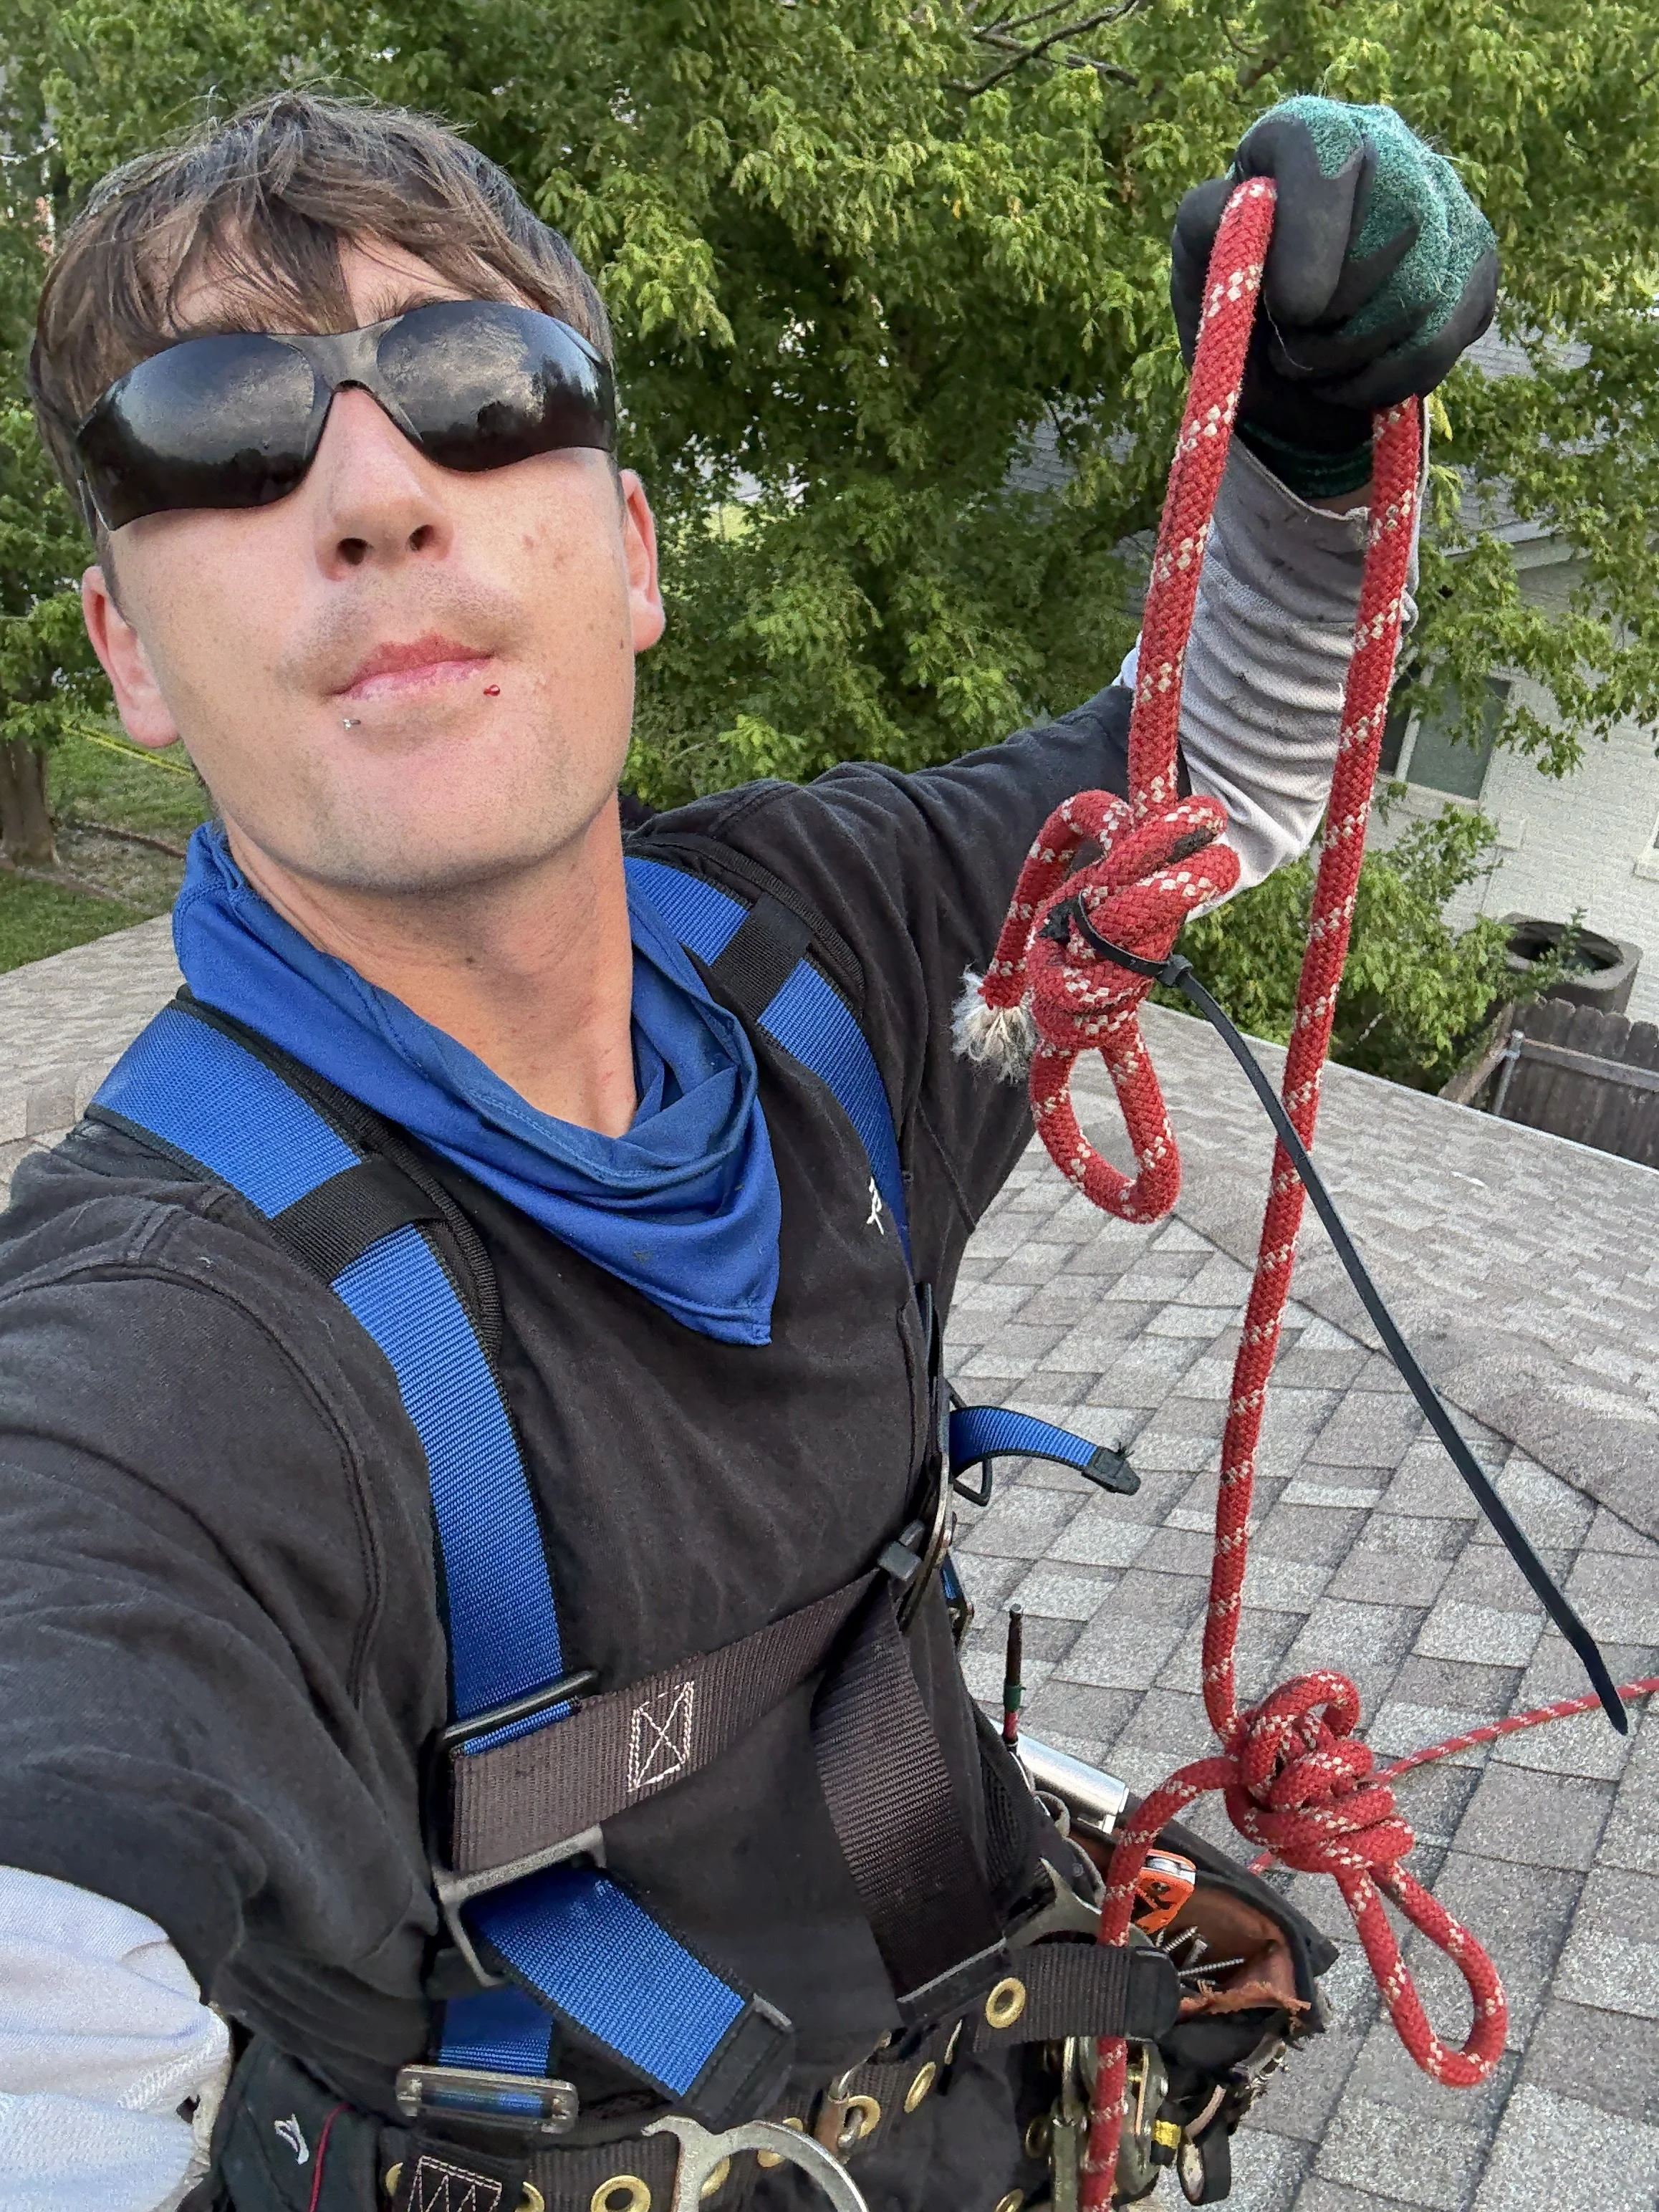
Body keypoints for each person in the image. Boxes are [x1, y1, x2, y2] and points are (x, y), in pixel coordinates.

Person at [0, 89, 1495, 2212]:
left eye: (479, 392)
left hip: (983, 2093)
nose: (375, 495)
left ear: (629, 554)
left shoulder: (822, 949)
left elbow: (1220, 775)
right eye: (217, 431)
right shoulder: (151, 1357)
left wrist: (1308, 451)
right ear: (128, 654)